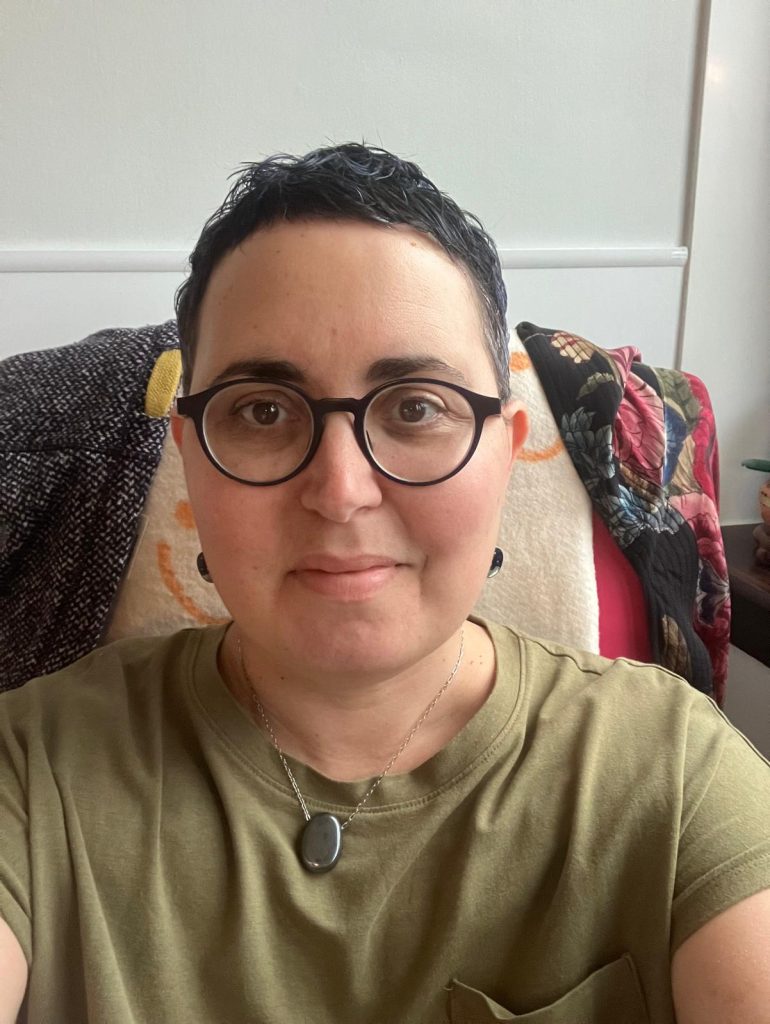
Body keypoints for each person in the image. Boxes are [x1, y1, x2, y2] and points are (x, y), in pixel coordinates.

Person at [0, 144, 768, 1024]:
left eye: (415, 407)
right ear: (191, 460)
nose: (340, 491)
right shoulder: (33, 769)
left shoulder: (670, 771)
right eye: (262, 411)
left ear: (505, 453)